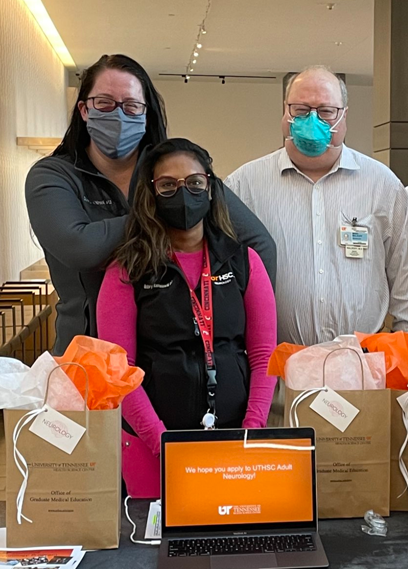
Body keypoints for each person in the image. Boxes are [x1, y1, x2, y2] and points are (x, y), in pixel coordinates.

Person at [25, 54, 276, 355]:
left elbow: (259, 244)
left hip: (176, 362)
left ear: (146, 115)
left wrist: (245, 334)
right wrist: (159, 208)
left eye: (131, 106)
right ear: (84, 110)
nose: (118, 115)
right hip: (89, 358)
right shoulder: (52, 176)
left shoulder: (175, 172)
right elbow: (81, 248)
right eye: (104, 103)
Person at [226, 65, 408, 423]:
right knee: (288, 476)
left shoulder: (382, 185)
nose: (312, 120)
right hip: (277, 383)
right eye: (300, 111)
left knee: (358, 477)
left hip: (363, 378)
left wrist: (400, 375)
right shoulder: (245, 186)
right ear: (284, 114)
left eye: (325, 111)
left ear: (344, 117)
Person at [97, 138, 277, 497]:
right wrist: (160, 441)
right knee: (151, 549)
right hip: (153, 445)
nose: (184, 194)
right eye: (168, 185)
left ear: (210, 189)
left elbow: (263, 357)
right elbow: (120, 371)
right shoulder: (128, 269)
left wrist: (251, 430)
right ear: (151, 195)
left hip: (233, 438)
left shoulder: (243, 262)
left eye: (194, 183)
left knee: (230, 539)